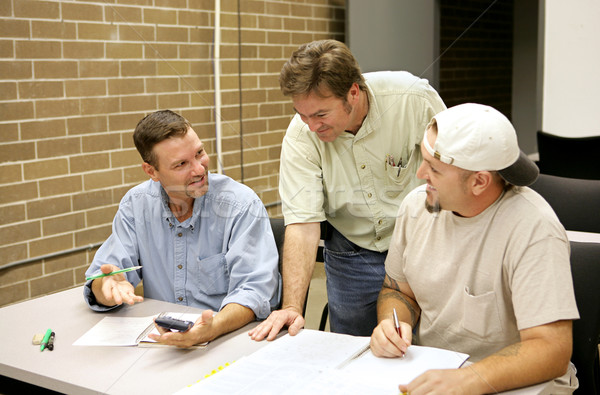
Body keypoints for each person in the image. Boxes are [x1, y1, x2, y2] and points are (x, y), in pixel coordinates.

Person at [370, 103, 579, 394]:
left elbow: (551, 350)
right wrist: (392, 325)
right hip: (439, 373)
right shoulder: (416, 207)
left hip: (521, 385)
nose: (420, 174)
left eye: (434, 168)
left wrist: (468, 380)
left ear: (479, 181)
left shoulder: (534, 228)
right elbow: (397, 291)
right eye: (423, 159)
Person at [249, 39, 446, 340]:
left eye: (320, 115)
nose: (311, 126)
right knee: (353, 347)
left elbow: (452, 170)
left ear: (353, 92)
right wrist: (292, 306)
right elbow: (302, 225)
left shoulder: (413, 99)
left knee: (431, 342)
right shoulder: (301, 136)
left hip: (422, 243)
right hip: (353, 252)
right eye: (302, 114)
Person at [84, 110, 280, 348]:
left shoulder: (240, 205)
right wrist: (107, 288)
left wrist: (212, 328)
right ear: (151, 171)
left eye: (200, 153)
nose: (199, 169)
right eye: (181, 164)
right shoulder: (136, 204)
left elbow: (255, 291)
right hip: (161, 345)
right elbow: (105, 276)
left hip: (230, 341)